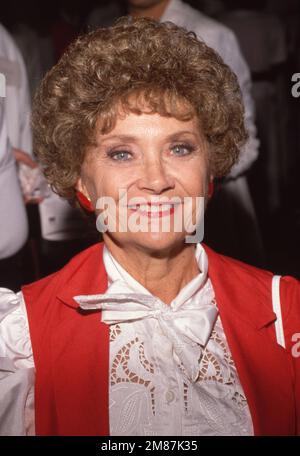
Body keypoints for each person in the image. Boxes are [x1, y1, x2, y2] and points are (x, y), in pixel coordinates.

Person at [0, 16, 299, 436]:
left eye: (179, 148)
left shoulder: (286, 314)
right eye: (121, 153)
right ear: (81, 181)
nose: (157, 180)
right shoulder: (20, 338)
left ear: (209, 172)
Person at [128, 0, 264, 266]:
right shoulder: (114, 36)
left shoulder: (209, 34)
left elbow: (242, 133)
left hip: (208, 202)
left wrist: (195, 171)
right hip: (135, 206)